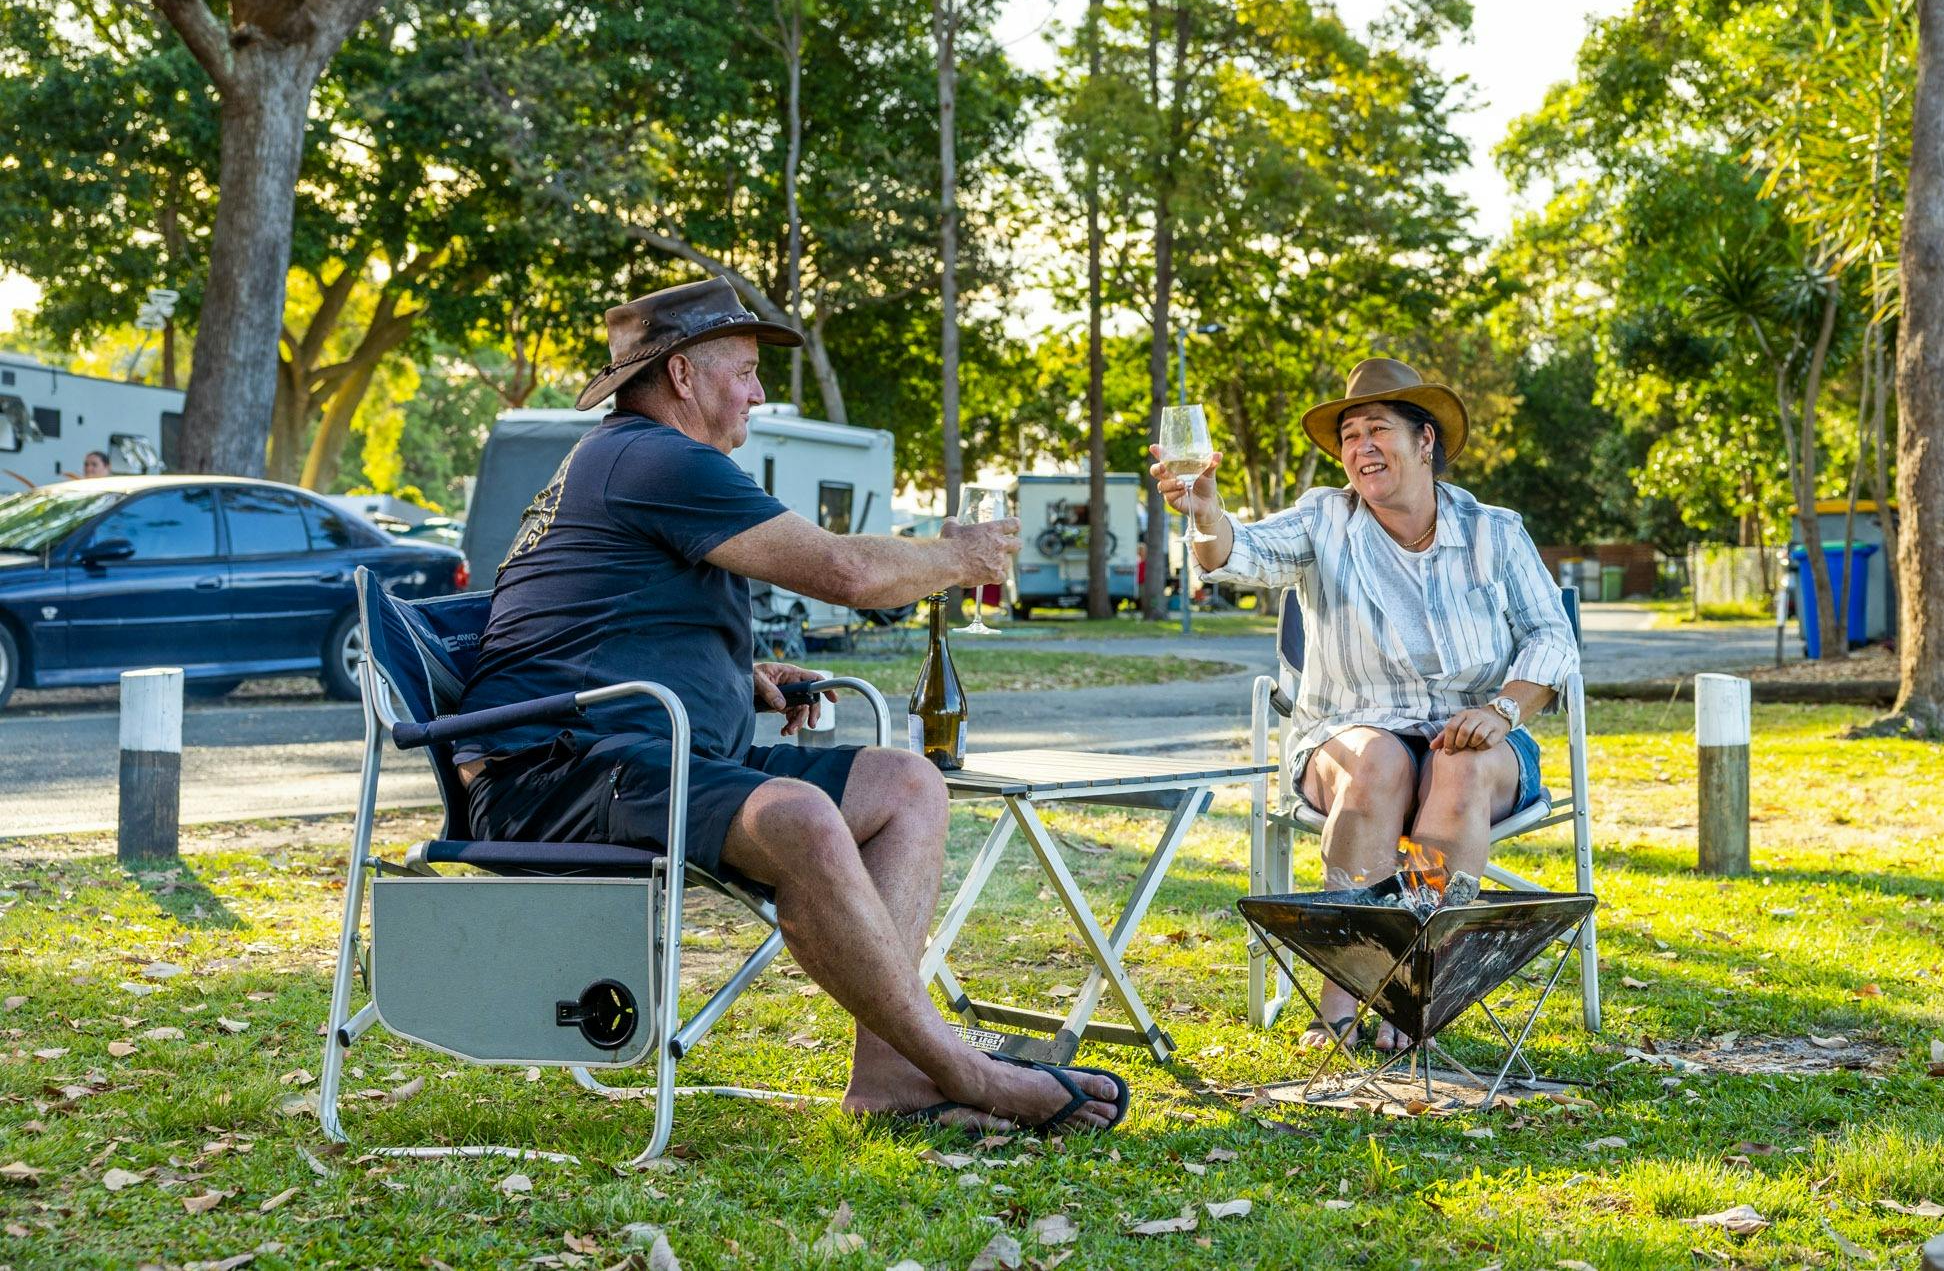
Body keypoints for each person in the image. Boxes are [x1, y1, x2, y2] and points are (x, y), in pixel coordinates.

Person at [455, 277, 1125, 1135]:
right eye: (744, 370)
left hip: (635, 750)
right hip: (550, 771)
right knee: (801, 817)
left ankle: (891, 1078)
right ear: (683, 375)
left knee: (908, 784)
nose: (759, 392)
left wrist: (738, 675)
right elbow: (845, 572)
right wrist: (959, 556)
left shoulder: (629, 459)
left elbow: (596, 621)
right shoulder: (655, 456)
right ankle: (967, 1071)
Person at [1149, 357, 1578, 1054]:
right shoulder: (1324, 519)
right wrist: (1206, 515)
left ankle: (1415, 994)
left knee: (1460, 764)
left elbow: (1552, 637)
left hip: (1478, 733)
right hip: (1350, 733)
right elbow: (1239, 554)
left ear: (1425, 440)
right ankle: (1342, 997)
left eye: (1378, 429)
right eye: (1349, 436)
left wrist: (1503, 709)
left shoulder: (1495, 531)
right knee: (1378, 759)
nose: (1361, 448)